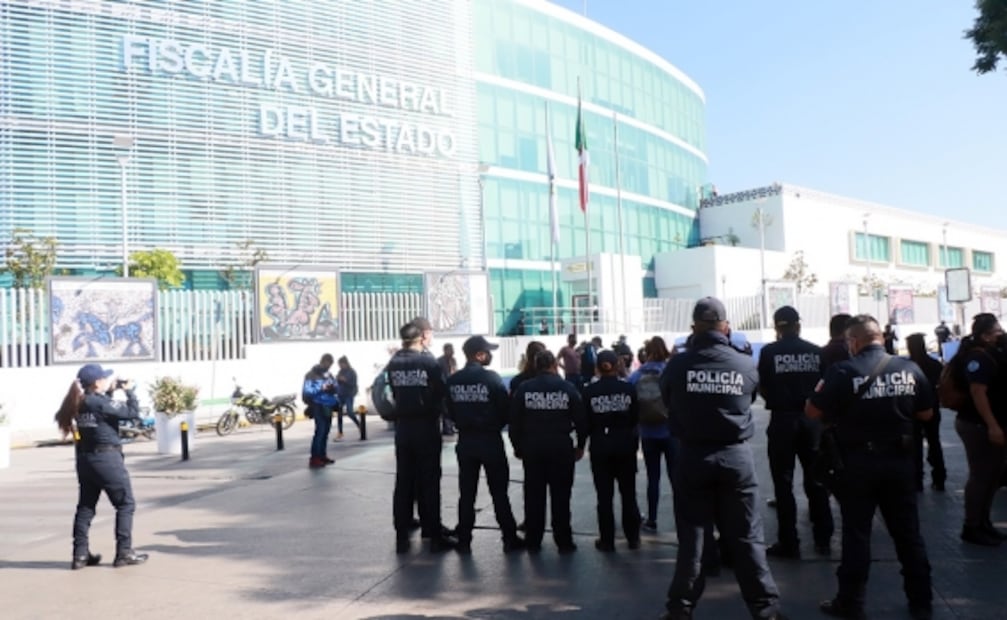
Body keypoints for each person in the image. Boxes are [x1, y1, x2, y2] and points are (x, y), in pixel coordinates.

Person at [658, 297, 783, 620]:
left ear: (693, 328)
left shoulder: (677, 365)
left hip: (692, 456)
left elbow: (667, 402)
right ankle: (765, 608)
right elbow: (749, 397)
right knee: (746, 536)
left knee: (693, 537)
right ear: (726, 328)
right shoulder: (744, 364)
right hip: (735, 457)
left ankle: (680, 608)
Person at [806, 314, 934, 620]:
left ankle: (850, 602)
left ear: (855, 341)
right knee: (908, 533)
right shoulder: (909, 368)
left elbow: (812, 411)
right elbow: (927, 414)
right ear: (880, 338)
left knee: (857, 534)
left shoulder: (841, 371)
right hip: (900, 463)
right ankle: (921, 598)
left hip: (857, 464)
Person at [54, 363, 148, 569]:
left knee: (86, 507)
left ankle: (80, 554)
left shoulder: (78, 401)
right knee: (125, 504)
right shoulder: (97, 402)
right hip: (107, 459)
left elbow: (103, 407)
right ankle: (124, 552)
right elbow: (131, 412)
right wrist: (129, 390)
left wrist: (113, 390)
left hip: (85, 460)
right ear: (97, 383)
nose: (107, 380)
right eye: (104, 378)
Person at [757, 306, 833, 559]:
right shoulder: (815, 351)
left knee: (783, 482)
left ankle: (789, 542)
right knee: (817, 479)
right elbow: (824, 386)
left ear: (777, 328)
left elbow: (764, 387)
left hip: (782, 420)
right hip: (812, 421)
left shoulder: (769, 352)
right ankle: (823, 537)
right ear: (798, 325)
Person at [445, 335, 525, 553]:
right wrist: (494, 425)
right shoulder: (491, 379)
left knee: (467, 493)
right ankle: (509, 537)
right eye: (488, 352)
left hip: (466, 441)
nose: (491, 355)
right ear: (479, 355)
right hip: (490, 440)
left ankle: (464, 540)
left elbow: (449, 411)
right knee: (499, 492)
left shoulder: (453, 380)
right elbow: (505, 410)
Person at [387, 322, 456, 553]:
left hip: (403, 428)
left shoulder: (394, 362)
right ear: (421, 339)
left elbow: (394, 393)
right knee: (429, 480)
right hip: (425, 427)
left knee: (404, 480)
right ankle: (432, 533)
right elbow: (441, 392)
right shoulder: (428, 362)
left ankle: (401, 534)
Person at [510, 350, 588, 553]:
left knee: (534, 495)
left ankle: (533, 540)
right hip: (560, 447)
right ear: (554, 364)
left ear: (536, 366)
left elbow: (514, 422)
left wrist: (518, 446)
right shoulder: (567, 388)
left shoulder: (524, 389)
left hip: (533, 447)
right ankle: (563, 540)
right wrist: (580, 445)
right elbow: (581, 419)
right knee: (561, 495)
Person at [952, 313, 1006, 547]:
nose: (1001, 334)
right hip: (977, 425)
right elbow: (978, 392)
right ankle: (972, 526)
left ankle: (983, 522)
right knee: (981, 475)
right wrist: (992, 425)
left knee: (994, 474)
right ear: (985, 335)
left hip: (987, 424)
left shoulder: (992, 354)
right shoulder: (979, 357)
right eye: (997, 331)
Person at [583, 350, 641, 551]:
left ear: (597, 368)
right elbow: (635, 418)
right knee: (628, 494)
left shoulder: (589, 391)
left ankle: (607, 540)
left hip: (600, 447)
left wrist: (581, 444)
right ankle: (633, 537)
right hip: (625, 446)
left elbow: (585, 423)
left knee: (604, 497)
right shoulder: (628, 389)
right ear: (617, 366)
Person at [627, 336, 675, 532]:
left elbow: (629, 398)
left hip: (647, 432)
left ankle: (652, 519)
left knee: (653, 477)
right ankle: (682, 517)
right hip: (671, 431)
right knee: (676, 477)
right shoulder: (670, 371)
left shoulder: (637, 375)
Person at [905, 333, 946, 492]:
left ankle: (917, 479)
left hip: (912, 410)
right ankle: (939, 477)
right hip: (932, 408)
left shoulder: (907, 365)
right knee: (934, 442)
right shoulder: (934, 364)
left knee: (915, 445)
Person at [303, 353, 340, 468]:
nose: (328, 366)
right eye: (327, 363)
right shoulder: (311, 375)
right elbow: (307, 391)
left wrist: (333, 388)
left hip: (329, 405)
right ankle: (314, 458)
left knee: (326, 432)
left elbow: (336, 386)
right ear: (322, 361)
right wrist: (321, 388)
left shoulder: (329, 375)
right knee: (320, 431)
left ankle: (322, 455)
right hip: (318, 404)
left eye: (330, 364)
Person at [335, 356, 360, 440]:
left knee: (350, 412)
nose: (340, 366)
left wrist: (345, 380)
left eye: (341, 364)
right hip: (340, 394)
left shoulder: (352, 372)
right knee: (339, 414)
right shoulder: (340, 372)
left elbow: (353, 384)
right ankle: (340, 432)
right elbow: (338, 381)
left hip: (349, 394)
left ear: (345, 363)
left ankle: (359, 425)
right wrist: (338, 379)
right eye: (339, 365)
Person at [437, 343, 459, 436]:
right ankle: (447, 428)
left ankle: (451, 427)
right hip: (444, 388)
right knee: (445, 409)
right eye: (450, 349)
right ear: (445, 350)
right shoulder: (439, 361)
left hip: (452, 387)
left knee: (451, 408)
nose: (452, 352)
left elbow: (454, 371)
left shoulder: (453, 360)